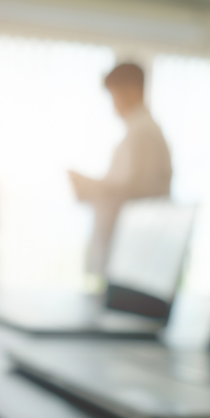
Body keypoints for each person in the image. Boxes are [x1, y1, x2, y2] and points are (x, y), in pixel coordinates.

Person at [69, 62, 172, 276]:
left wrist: (86, 186)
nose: (113, 104)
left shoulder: (143, 134)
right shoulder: (138, 131)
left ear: (132, 90)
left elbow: (135, 197)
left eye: (114, 95)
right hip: (128, 256)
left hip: (132, 256)